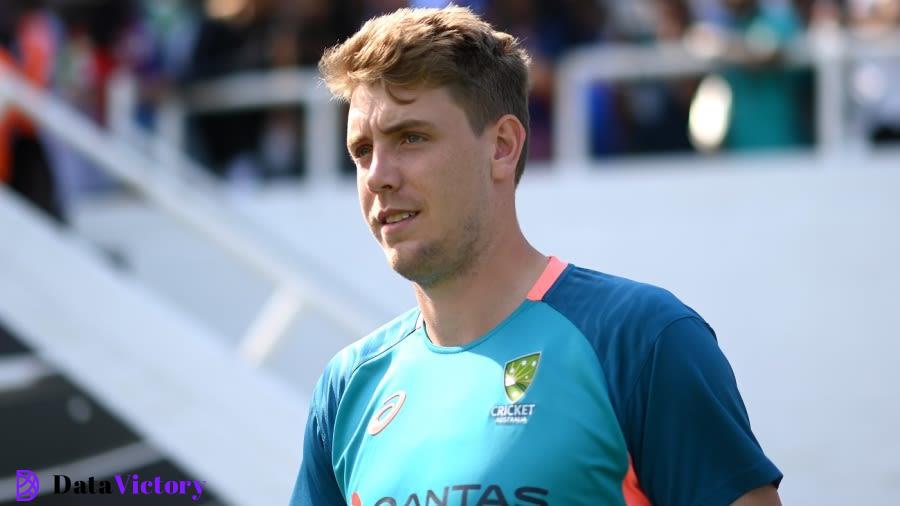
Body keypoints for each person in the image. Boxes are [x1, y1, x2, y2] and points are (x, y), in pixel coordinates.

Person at [291, 6, 782, 506]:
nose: (377, 175)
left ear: (502, 146)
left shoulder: (642, 339)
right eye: (361, 150)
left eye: (411, 137)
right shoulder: (347, 387)